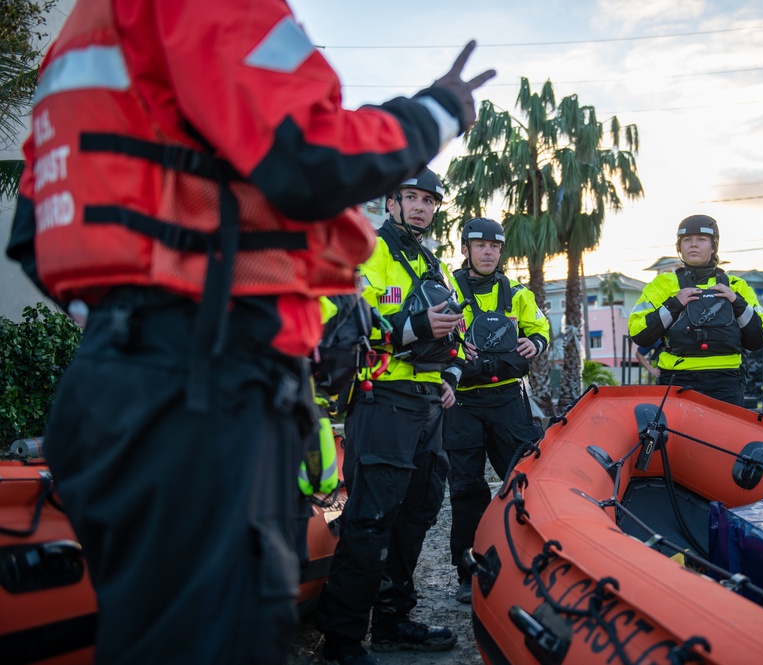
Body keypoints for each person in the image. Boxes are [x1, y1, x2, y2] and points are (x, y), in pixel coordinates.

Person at [4, 1, 494, 662]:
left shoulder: (77, 42)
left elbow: (33, 238)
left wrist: (139, 315)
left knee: (154, 634)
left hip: (112, 383)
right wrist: (438, 110)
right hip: (207, 384)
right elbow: (311, 154)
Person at [315, 169, 468, 665]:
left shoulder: (432, 263)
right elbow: (342, 321)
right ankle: (341, 639)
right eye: (412, 198)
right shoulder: (370, 251)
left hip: (428, 403)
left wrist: (450, 373)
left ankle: (392, 621)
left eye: (430, 200)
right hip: (382, 398)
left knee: (416, 516)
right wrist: (414, 327)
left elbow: (454, 335)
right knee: (370, 519)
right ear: (392, 202)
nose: (422, 207)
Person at [444, 217, 549, 604]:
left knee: (523, 481)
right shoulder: (446, 287)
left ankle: (528, 563)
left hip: (509, 402)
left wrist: (535, 343)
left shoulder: (517, 293)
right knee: (466, 489)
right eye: (480, 245)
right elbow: (431, 332)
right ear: (466, 249)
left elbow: (539, 327)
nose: (488, 252)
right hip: (463, 404)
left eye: (495, 246)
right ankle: (468, 572)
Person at [628, 215, 763, 406]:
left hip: (727, 384)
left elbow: (761, 337)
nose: (693, 245)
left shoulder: (737, 286)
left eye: (701, 240)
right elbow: (638, 333)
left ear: (713, 246)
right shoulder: (661, 285)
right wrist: (673, 304)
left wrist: (736, 302)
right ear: (679, 247)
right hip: (677, 381)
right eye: (687, 240)